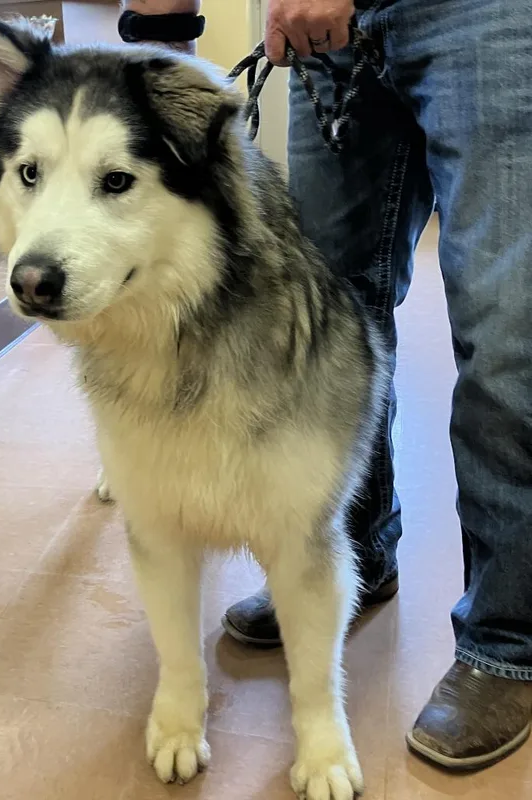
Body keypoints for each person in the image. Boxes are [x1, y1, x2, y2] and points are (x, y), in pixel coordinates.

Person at [120, 0, 532, 772]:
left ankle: (509, 645)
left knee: (511, 334)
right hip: (324, 36)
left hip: (493, 15)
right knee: (324, 309)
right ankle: (358, 549)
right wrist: (161, 35)